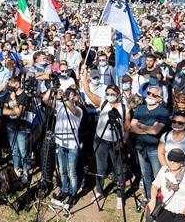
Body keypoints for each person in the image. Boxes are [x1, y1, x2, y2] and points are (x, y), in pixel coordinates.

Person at [83, 80, 129, 208]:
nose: (110, 96)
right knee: (100, 168)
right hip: (100, 140)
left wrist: (122, 141)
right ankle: (99, 191)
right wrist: (83, 75)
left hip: (116, 142)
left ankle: (120, 195)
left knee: (119, 168)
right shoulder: (103, 103)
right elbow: (88, 92)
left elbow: (128, 127)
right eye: (107, 93)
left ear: (118, 94)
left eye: (112, 93)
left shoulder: (124, 107)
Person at [43, 84, 82, 211]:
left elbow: (73, 110)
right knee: (62, 170)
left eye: (71, 93)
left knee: (72, 172)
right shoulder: (59, 106)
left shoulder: (79, 110)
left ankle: (73, 193)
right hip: (60, 143)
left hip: (72, 145)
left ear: (75, 97)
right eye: (66, 93)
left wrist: (65, 98)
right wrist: (52, 87)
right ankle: (64, 190)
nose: (67, 95)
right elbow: (44, 100)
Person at [130, 85, 169, 201]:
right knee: (145, 175)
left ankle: (158, 199)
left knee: (157, 176)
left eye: (154, 95)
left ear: (160, 98)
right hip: (141, 147)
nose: (150, 96)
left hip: (155, 149)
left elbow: (155, 130)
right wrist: (148, 128)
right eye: (149, 93)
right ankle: (147, 198)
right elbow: (132, 127)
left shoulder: (163, 111)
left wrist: (141, 125)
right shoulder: (140, 108)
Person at [2, 76, 30, 184]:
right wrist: (14, 112)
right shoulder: (8, 94)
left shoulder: (24, 96)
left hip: (21, 128)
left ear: (17, 84)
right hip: (10, 126)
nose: (9, 87)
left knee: (23, 151)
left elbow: (20, 113)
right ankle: (15, 169)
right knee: (14, 150)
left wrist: (14, 100)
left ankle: (26, 172)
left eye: (11, 84)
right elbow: (3, 110)